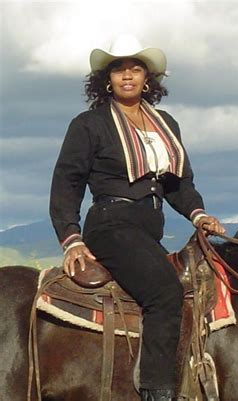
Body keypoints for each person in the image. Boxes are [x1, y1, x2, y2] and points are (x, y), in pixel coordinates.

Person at [49, 34, 225, 401]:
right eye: (118, 68)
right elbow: (66, 183)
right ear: (107, 79)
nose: (127, 75)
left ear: (148, 77)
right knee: (165, 293)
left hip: (148, 229)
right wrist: (71, 238)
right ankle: (156, 393)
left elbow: (179, 185)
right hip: (111, 224)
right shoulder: (89, 124)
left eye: (135, 67)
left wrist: (199, 215)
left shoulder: (166, 125)